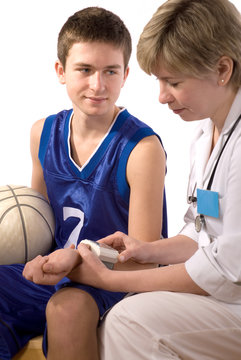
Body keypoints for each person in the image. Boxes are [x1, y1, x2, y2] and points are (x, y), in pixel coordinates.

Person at [64, 0, 241, 358]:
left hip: (233, 292)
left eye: (173, 81)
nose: (162, 96)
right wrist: (147, 249)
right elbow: (203, 231)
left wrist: (114, 280)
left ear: (222, 69)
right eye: (160, 80)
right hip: (229, 289)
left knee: (131, 321)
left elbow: (227, 267)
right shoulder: (207, 131)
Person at [0, 7, 167, 360]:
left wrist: (75, 261)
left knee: (67, 311)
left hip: (114, 280)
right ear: (61, 71)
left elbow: (145, 261)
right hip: (59, 273)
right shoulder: (42, 134)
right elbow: (39, 227)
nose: (98, 84)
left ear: (126, 75)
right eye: (85, 70)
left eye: (110, 71)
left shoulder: (142, 149)